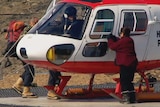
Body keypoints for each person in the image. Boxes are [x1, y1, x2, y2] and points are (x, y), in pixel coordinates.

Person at [107, 27, 138, 104]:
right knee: (129, 81)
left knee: (124, 81)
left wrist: (110, 39)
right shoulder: (130, 40)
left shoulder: (123, 41)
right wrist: (116, 39)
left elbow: (113, 46)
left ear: (122, 33)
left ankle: (126, 98)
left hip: (125, 63)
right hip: (132, 63)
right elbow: (121, 43)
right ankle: (132, 98)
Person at [11, 19, 38, 98]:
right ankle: (26, 91)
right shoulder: (31, 31)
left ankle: (18, 84)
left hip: (22, 52)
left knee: (28, 70)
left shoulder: (28, 30)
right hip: (24, 52)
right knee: (30, 71)